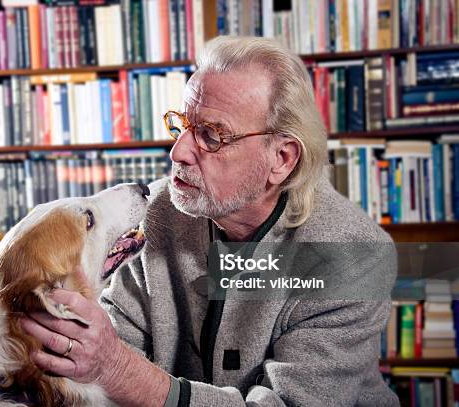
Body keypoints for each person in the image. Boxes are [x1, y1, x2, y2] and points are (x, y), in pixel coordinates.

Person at [21, 36, 400, 406]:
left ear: (281, 159)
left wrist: (118, 369)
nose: (179, 151)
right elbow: (103, 355)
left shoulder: (354, 257)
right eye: (183, 125)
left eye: (211, 136)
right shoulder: (155, 212)